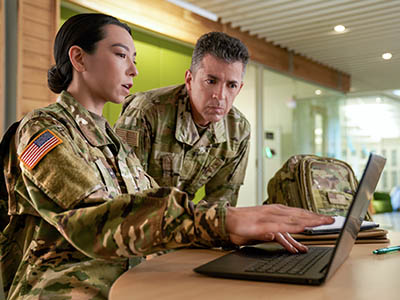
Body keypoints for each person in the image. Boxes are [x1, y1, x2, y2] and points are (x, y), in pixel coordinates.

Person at [0, 13, 334, 300]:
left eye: (134, 59)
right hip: (65, 286)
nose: (133, 71)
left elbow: (147, 203)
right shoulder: (42, 130)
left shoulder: (113, 142)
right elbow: (95, 223)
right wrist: (224, 221)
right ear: (79, 58)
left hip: (134, 274)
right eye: (121, 55)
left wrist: (237, 228)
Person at [114, 32, 250, 206]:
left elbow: (221, 202)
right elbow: (124, 194)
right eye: (211, 81)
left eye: (231, 85)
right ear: (189, 79)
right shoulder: (145, 111)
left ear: (239, 89)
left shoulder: (238, 130)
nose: (220, 96)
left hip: (183, 222)